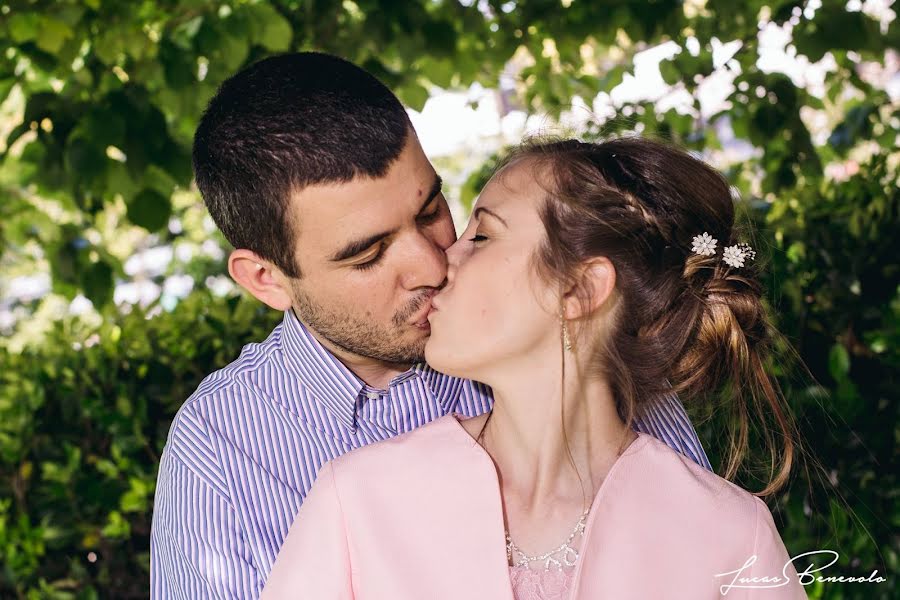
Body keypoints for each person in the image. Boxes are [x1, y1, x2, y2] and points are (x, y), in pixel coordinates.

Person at [149, 52, 710, 598]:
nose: (433, 265)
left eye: (430, 212)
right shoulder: (221, 448)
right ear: (265, 280)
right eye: (367, 255)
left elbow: (698, 536)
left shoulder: (556, 339)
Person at [262, 137, 808, 599]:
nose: (439, 262)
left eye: (482, 236)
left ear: (578, 289)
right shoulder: (356, 500)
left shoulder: (730, 535)